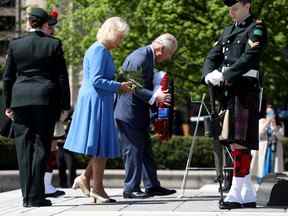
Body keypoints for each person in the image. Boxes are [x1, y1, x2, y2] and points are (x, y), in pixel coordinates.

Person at [3, 7, 71, 207]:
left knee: (23, 148)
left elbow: (7, 77)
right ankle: (36, 196)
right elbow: (61, 77)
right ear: (44, 24)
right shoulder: (53, 44)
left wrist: (8, 104)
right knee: (41, 145)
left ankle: (26, 197)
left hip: (20, 99)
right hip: (45, 100)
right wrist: (65, 105)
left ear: (29, 23)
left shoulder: (15, 44)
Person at [202, 0, 267, 209]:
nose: (231, 13)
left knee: (241, 140)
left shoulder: (256, 28)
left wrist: (224, 74)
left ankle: (237, 189)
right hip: (227, 91)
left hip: (245, 89)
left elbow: (250, 57)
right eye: (229, 9)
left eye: (235, 8)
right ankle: (245, 190)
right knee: (231, 139)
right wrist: (208, 75)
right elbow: (212, 56)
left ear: (247, 5)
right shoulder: (228, 30)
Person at [64, 17, 131, 204]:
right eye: (120, 37)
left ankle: (86, 178)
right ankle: (97, 189)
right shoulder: (100, 51)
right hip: (97, 101)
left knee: (101, 146)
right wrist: (119, 85)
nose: (120, 41)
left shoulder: (100, 50)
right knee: (101, 146)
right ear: (110, 33)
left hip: (98, 99)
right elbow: (97, 80)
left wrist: (118, 85)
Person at [114, 33, 178, 199]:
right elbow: (131, 85)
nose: (167, 58)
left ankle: (151, 186)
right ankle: (130, 189)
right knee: (133, 150)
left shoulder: (147, 57)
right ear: (161, 49)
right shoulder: (140, 57)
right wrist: (155, 97)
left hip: (137, 112)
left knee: (145, 150)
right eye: (168, 54)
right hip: (129, 113)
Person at [250, 105, 284, 184]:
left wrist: (274, 127)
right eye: (268, 113)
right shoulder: (261, 121)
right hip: (264, 150)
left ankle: (273, 184)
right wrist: (267, 123)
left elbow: (281, 137)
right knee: (262, 169)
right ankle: (262, 183)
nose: (270, 115)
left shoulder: (279, 124)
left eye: (271, 113)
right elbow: (259, 134)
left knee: (274, 168)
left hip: (275, 151)